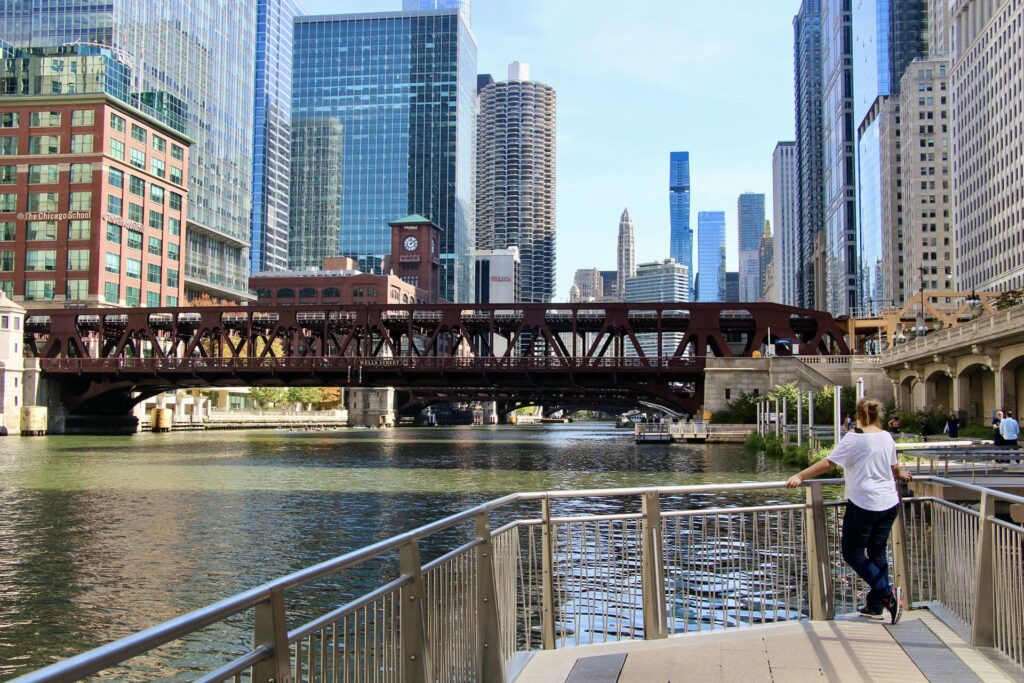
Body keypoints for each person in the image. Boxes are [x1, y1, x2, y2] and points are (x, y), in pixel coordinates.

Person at [785, 398, 912, 624]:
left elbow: (829, 463)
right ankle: (874, 606)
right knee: (877, 552)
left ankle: (887, 595)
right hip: (889, 502)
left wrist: (800, 476)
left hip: (865, 502)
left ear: (859, 416)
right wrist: (901, 475)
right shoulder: (886, 436)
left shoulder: (854, 438)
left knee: (852, 553)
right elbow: (894, 467)